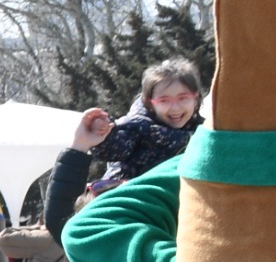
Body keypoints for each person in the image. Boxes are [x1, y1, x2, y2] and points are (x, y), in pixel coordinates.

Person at [87, 58, 205, 187]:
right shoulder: (138, 126)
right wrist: (105, 133)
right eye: (164, 100)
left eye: (183, 98)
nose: (175, 108)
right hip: (130, 194)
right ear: (150, 103)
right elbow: (115, 149)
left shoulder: (203, 131)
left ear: (196, 98)